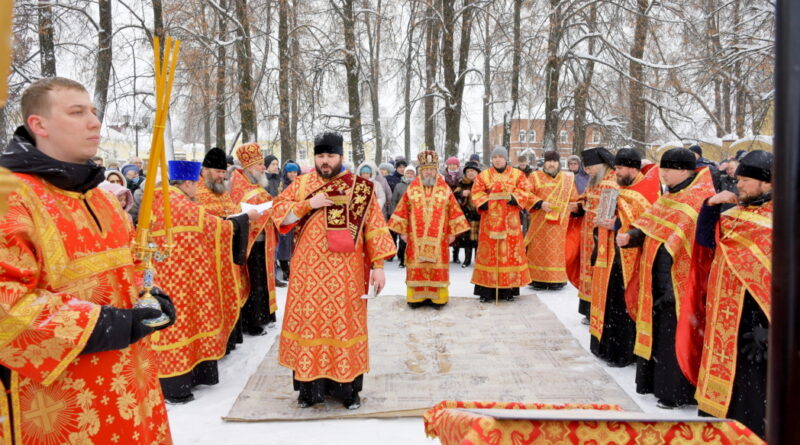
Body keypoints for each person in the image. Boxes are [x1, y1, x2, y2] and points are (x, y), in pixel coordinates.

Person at [0, 77, 175, 444]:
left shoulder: (105, 201)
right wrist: (109, 325)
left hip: (132, 389)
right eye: (77, 112)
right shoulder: (12, 198)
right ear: (39, 125)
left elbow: (132, 269)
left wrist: (153, 296)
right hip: (60, 406)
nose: (94, 122)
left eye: (93, 111)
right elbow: (6, 308)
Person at [272, 131, 396, 409]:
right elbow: (279, 213)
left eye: (330, 156)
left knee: (343, 327)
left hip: (346, 275)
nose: (325, 161)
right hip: (307, 274)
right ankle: (309, 390)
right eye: (320, 156)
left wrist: (378, 266)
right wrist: (308, 204)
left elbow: (375, 228)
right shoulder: (301, 184)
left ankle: (346, 390)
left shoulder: (360, 187)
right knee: (310, 326)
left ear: (341, 157)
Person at [617, 147, 716, 409]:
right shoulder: (670, 196)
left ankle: (676, 392)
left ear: (683, 170)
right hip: (658, 282)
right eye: (662, 169)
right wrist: (631, 237)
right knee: (660, 336)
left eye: (668, 170)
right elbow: (650, 224)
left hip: (681, 285)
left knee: (677, 338)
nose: (663, 174)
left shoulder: (699, 200)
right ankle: (654, 384)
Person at [152, 160, 257, 404]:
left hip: (164, 275)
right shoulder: (181, 205)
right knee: (185, 324)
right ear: (187, 182)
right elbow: (219, 228)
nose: (196, 191)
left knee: (171, 327)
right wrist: (245, 218)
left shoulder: (158, 201)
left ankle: (174, 380)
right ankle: (179, 385)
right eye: (195, 185)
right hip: (184, 279)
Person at [694, 150, 772, 439]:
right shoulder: (736, 215)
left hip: (758, 327)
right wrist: (711, 205)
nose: (737, 184)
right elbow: (704, 242)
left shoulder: (783, 221)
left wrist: (769, 328)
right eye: (737, 178)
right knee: (726, 394)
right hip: (725, 322)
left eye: (745, 180)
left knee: (753, 398)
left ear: (766, 183)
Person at [588, 149, 660, 368]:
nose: (616, 173)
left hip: (632, 259)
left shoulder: (646, 190)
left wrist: (618, 224)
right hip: (610, 255)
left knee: (625, 302)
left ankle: (623, 352)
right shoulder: (619, 187)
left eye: (619, 168)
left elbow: (646, 223)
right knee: (611, 301)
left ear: (632, 168)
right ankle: (607, 346)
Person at [389, 150, 469, 308]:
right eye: (426, 169)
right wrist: (403, 231)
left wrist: (452, 233)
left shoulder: (444, 189)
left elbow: (454, 211)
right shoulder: (412, 188)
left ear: (436, 170)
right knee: (417, 267)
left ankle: (438, 298)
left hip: (439, 239)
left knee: (436, 268)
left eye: (432, 169)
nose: (429, 172)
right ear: (421, 171)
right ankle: (416, 298)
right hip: (415, 239)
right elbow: (401, 211)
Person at [230, 142, 284, 336]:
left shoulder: (254, 183)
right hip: (250, 242)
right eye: (260, 164)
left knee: (264, 279)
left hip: (264, 241)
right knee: (254, 282)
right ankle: (254, 321)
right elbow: (238, 210)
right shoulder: (238, 183)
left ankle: (266, 316)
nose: (263, 167)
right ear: (250, 167)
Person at [471, 146, 534, 302]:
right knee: (489, 255)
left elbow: (525, 190)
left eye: (500, 156)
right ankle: (486, 291)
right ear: (492, 159)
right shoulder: (483, 175)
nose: (497, 159)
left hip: (510, 222)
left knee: (510, 254)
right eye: (494, 157)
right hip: (489, 222)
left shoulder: (517, 174)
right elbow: (476, 192)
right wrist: (485, 203)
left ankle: (508, 290)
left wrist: (512, 198)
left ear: (506, 158)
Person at [571, 147, 617, 321]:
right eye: (586, 167)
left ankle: (598, 310)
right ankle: (588, 309)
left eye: (590, 167)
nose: (587, 170)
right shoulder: (595, 180)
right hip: (588, 234)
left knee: (598, 270)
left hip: (603, 235)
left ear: (602, 165)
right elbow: (586, 197)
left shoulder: (613, 181)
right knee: (588, 268)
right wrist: (579, 205)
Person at [524, 150, 579, 290]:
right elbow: (526, 195)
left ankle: (557, 279)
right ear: (545, 162)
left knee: (557, 251)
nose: (552, 164)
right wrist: (541, 203)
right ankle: (537, 279)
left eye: (555, 161)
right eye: (549, 161)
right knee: (538, 250)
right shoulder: (535, 177)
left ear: (559, 163)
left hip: (560, 224)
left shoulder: (567, 178)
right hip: (540, 222)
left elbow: (574, 198)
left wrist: (574, 206)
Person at [277, 160, 301, 281]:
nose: (292, 174)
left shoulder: (301, 185)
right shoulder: (282, 185)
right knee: (284, 245)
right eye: (290, 172)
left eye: (295, 172)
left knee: (295, 245)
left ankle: (295, 269)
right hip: (286, 217)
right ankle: (286, 271)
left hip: (298, 218)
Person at [454, 162, 481, 268]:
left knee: (479, 240)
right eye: (468, 171)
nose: (470, 173)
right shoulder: (462, 183)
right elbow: (455, 195)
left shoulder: (482, 182)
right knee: (467, 240)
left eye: (472, 171)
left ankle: (478, 260)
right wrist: (461, 194)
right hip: (467, 214)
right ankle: (467, 260)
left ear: (477, 172)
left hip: (480, 214)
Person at [389, 166, 416, 267]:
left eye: (411, 173)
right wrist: (393, 213)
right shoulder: (399, 186)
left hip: (414, 215)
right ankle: (401, 258)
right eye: (407, 173)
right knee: (402, 237)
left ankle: (411, 257)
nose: (409, 175)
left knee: (412, 237)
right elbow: (394, 200)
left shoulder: (417, 185)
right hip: (401, 214)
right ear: (404, 174)